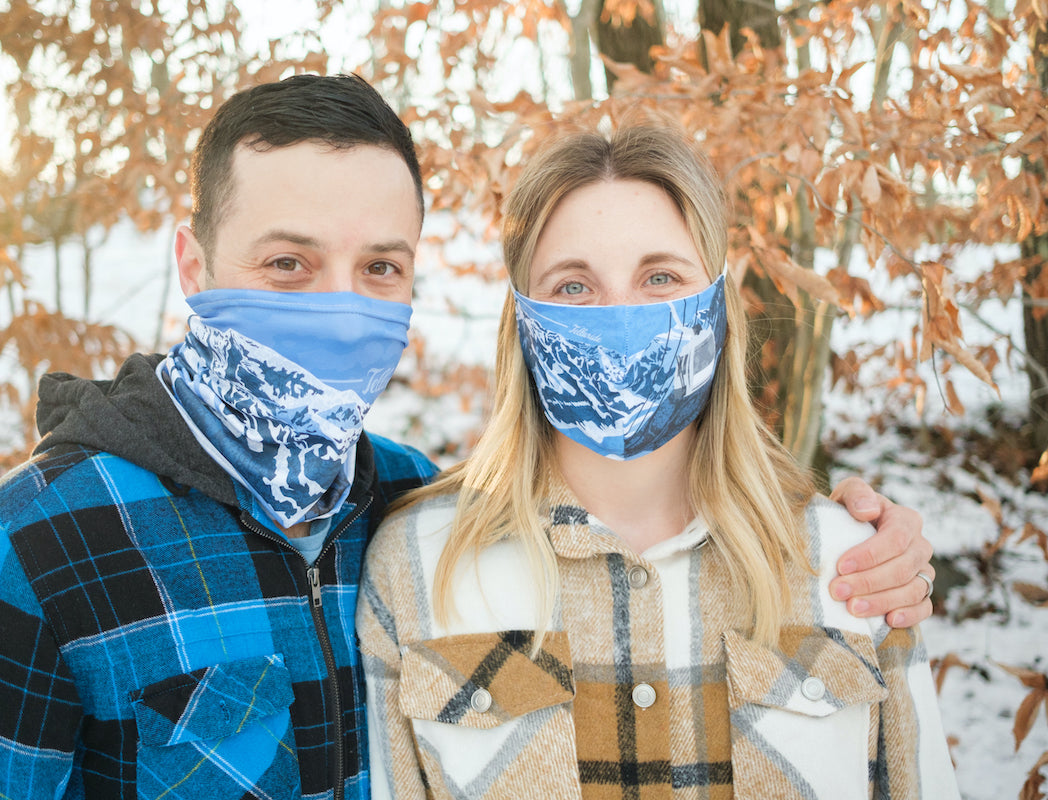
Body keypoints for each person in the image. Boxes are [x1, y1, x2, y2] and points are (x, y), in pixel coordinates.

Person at [0, 75, 931, 799]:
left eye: (379, 267)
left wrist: (878, 544)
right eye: (288, 263)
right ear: (192, 264)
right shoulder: (16, 558)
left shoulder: (402, 515)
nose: (339, 306)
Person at [357, 123, 958, 799]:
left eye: (661, 277)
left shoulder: (853, 564)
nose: (620, 314)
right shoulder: (419, 568)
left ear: (718, 307)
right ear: (522, 320)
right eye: (574, 286)